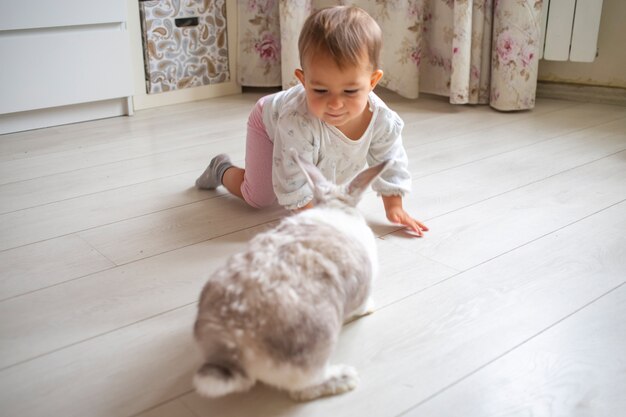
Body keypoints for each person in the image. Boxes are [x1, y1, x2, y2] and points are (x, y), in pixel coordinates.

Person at [196, 5, 428, 237]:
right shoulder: (297, 119)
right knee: (259, 197)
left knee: (322, 180)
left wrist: (394, 206)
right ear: (303, 81)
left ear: (372, 81)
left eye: (349, 91)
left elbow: (390, 160)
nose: (335, 104)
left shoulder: (381, 120)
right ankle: (221, 168)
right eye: (320, 90)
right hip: (269, 122)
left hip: (310, 143)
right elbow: (293, 176)